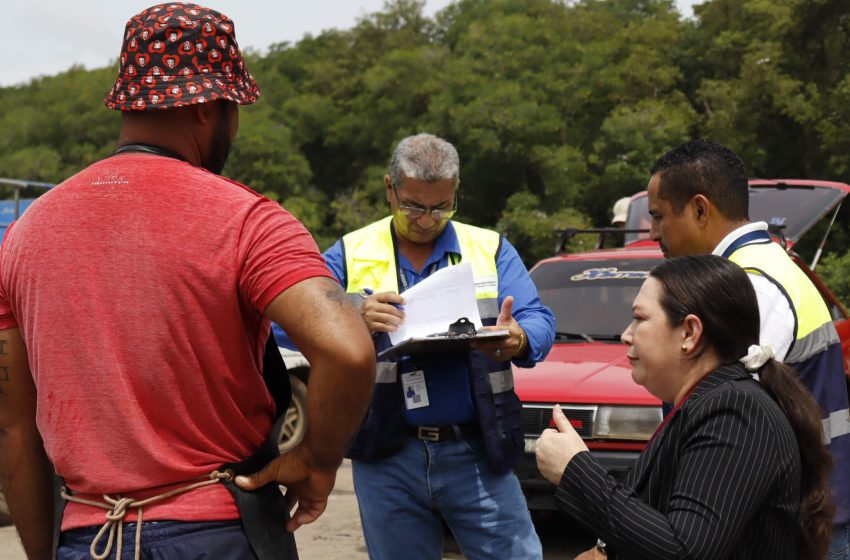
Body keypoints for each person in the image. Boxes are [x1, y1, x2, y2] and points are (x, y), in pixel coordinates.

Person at [0, 4, 375, 560]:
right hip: (218, 531)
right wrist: (317, 463)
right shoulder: (248, 220)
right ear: (206, 107)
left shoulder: (24, 234)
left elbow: (13, 429)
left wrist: (44, 552)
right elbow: (347, 352)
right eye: (234, 110)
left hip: (86, 533)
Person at [321, 132, 555, 559]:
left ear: (455, 192)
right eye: (413, 206)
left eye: (440, 207)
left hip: (478, 452)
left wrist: (518, 339)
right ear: (389, 189)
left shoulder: (489, 248)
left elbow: (539, 321)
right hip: (388, 455)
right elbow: (294, 317)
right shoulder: (350, 252)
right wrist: (352, 312)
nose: (427, 219)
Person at [536, 255, 834, 559]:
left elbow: (684, 550)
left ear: (690, 333)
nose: (626, 334)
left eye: (639, 318)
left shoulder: (735, 410)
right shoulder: (708, 402)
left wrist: (575, 470)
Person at [644, 139, 850, 555]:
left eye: (658, 217)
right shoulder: (768, 266)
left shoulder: (752, 285)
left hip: (796, 529)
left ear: (700, 210)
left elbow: (726, 425)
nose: (652, 233)